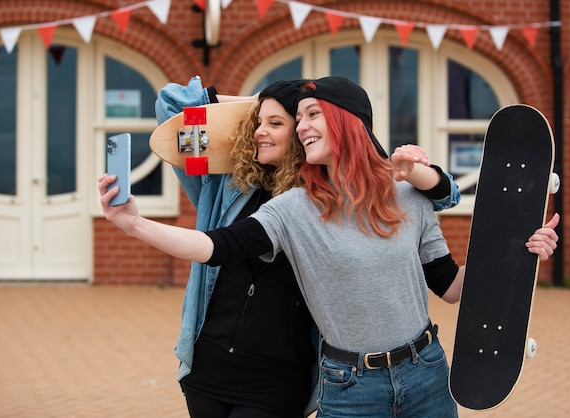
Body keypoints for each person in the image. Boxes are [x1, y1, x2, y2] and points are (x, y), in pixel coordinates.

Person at [101, 76, 558, 417]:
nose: (301, 127)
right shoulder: (293, 209)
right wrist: (134, 225)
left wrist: (517, 254)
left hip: (427, 375)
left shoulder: (409, 197)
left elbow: (454, 287)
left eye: (311, 114)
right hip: (349, 387)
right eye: (296, 119)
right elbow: (213, 246)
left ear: (348, 121)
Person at [153, 76, 462, 418]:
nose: (262, 131)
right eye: (258, 122)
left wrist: (506, 248)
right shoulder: (230, 188)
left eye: (277, 122)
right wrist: (260, 100)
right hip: (215, 365)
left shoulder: (337, 198)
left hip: (291, 377)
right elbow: (172, 106)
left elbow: (446, 262)